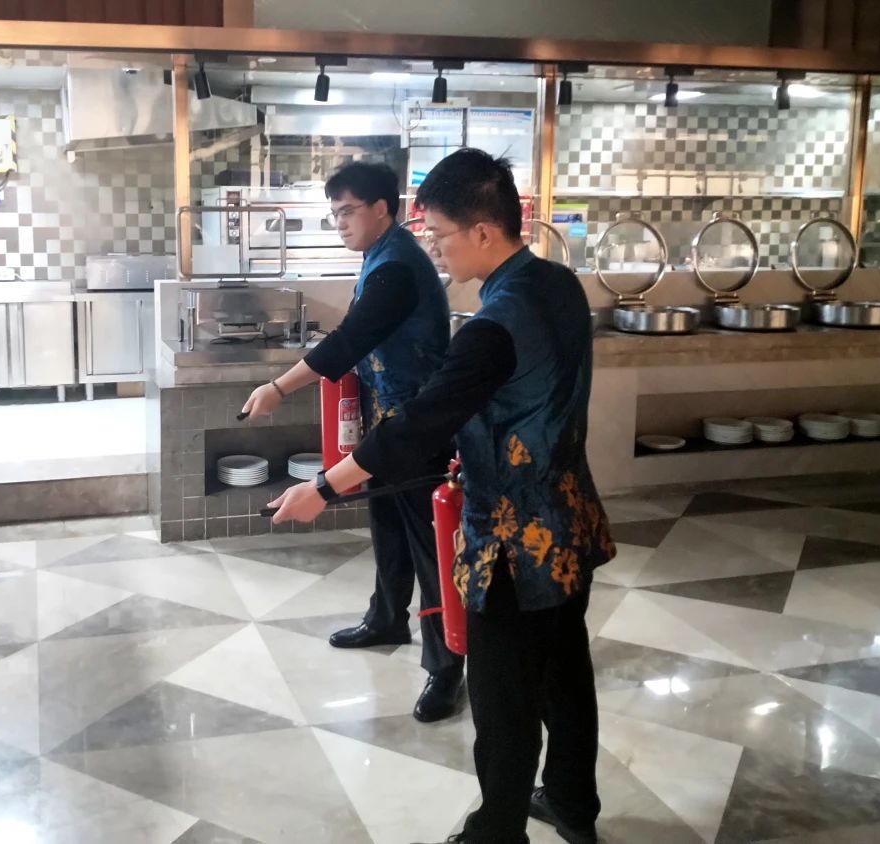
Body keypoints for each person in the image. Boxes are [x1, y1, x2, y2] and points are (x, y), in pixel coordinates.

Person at [267, 148, 614, 844]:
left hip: (513, 546)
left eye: (442, 234)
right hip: (571, 517)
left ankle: (496, 832)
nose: (435, 248)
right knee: (564, 673)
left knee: (503, 697)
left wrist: (323, 488)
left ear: (483, 230)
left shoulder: (492, 326)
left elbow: (418, 425)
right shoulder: (559, 284)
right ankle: (572, 802)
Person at [240, 160, 466, 723]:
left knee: (429, 547)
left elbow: (350, 340)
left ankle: (446, 667)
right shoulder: (381, 255)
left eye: (347, 212)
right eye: (334, 213)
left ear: (382, 209)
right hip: (387, 423)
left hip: (417, 429)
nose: (339, 223)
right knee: (388, 526)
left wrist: (277, 388)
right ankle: (386, 618)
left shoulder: (397, 267)